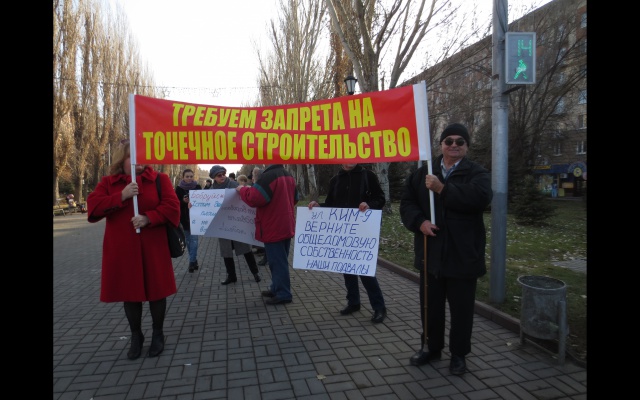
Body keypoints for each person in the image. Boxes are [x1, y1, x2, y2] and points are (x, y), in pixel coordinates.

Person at [399, 123, 493, 375]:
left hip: (463, 255)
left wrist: (442, 188)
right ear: (440, 144)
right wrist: (420, 222)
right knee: (430, 307)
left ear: (466, 146)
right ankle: (431, 348)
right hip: (431, 253)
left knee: (462, 310)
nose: (454, 145)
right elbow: (407, 203)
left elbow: (480, 198)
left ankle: (459, 354)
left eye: (459, 141)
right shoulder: (423, 173)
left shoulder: (477, 173)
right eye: (448, 141)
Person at [86, 139, 180, 360]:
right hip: (123, 250)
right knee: (130, 294)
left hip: (153, 247)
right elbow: (93, 208)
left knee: (157, 292)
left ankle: (158, 333)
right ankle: (136, 335)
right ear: (122, 159)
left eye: (143, 156)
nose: (139, 161)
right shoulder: (108, 183)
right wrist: (122, 195)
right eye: (133, 157)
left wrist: (149, 218)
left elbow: (172, 207)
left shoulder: (159, 179)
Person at [308, 164, 388, 323]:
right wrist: (318, 206)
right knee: (347, 269)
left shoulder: (367, 176)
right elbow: (331, 204)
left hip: (363, 231)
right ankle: (353, 302)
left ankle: (379, 307)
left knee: (365, 270)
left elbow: (380, 198)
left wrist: (369, 205)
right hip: (343, 233)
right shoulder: (335, 179)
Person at [236, 164, 298, 305]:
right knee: (279, 260)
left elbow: (254, 198)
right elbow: (296, 198)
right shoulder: (288, 175)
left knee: (277, 262)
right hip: (286, 224)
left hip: (273, 226)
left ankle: (283, 293)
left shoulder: (268, 177)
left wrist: (242, 190)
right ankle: (276, 288)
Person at [208, 165, 262, 284]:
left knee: (246, 249)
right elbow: (206, 206)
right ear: (213, 177)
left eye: (223, 174)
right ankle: (231, 276)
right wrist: (192, 205)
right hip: (223, 226)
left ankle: (255, 273)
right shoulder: (212, 190)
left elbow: (246, 196)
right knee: (226, 252)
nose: (222, 176)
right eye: (219, 175)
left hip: (237, 223)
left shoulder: (234, 185)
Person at [175, 169, 202, 273]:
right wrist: (183, 201)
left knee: (194, 240)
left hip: (196, 218)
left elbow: (203, 201)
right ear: (183, 177)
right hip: (185, 218)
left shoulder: (197, 187)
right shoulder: (179, 189)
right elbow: (175, 203)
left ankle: (191, 262)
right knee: (188, 240)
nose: (189, 178)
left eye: (191, 176)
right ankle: (194, 260)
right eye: (187, 176)